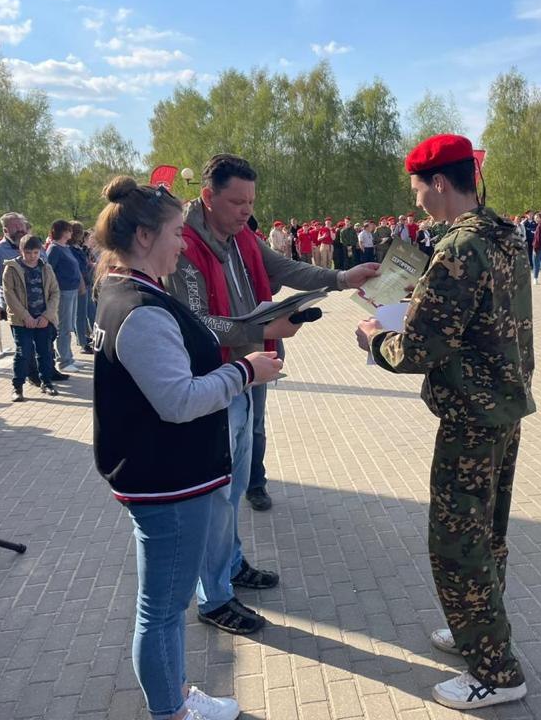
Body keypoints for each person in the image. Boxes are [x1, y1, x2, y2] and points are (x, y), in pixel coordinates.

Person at [162, 154, 380, 633]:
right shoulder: (185, 246)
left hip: (248, 371)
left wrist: (343, 279)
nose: (246, 211)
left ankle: (231, 565)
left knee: (236, 484)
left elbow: (284, 266)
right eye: (237, 202)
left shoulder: (241, 237)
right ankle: (213, 596)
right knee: (217, 492)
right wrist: (263, 328)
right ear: (207, 197)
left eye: (251, 202)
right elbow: (196, 324)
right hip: (213, 380)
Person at [92, 176, 281, 720]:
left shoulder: (126, 290)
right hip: (167, 479)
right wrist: (245, 370)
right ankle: (170, 709)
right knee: (163, 611)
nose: (183, 243)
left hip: (163, 474)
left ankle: (173, 695)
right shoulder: (143, 308)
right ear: (145, 236)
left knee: (165, 606)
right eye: (177, 233)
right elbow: (177, 400)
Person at [356, 134, 533, 710]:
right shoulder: (501, 235)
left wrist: (377, 338)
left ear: (438, 183)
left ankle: (497, 671)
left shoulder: (459, 249)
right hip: (504, 406)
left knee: (457, 543)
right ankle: (477, 635)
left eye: (418, 191)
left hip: (471, 415)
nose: (416, 204)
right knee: (488, 535)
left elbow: (420, 351)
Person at [2, 235, 60, 401]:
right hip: (22, 320)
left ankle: (46, 382)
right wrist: (26, 316)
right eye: (28, 252)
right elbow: (9, 295)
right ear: (21, 251)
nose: (32, 256)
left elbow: (55, 292)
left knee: (45, 352)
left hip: (43, 319)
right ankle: (17, 387)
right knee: (23, 352)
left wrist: (47, 316)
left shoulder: (46, 267)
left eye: (35, 252)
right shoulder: (12, 268)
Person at [47, 220, 84, 372]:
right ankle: (64, 361)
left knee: (68, 326)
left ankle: (69, 357)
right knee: (64, 326)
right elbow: (49, 271)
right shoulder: (54, 249)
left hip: (72, 290)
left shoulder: (65, 248)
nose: (71, 233)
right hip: (63, 291)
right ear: (62, 232)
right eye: (68, 230)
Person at [69, 221, 94, 353]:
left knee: (86, 311)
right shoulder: (70, 249)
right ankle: (83, 342)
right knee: (80, 314)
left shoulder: (78, 247)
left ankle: (83, 337)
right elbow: (76, 268)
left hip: (86, 282)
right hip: (80, 285)